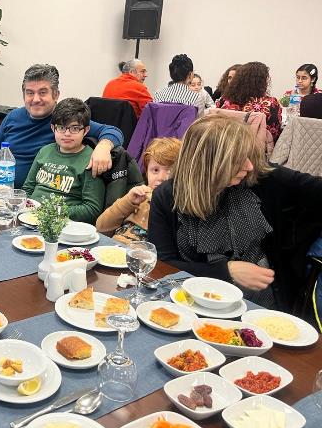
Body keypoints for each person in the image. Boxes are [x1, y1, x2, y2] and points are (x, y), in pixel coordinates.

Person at [148, 115, 322, 311]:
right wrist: (226, 271)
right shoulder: (167, 196)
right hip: (192, 303)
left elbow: (315, 190)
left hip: (262, 307)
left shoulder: (262, 178)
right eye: (238, 160)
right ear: (210, 163)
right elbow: (162, 265)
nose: (249, 166)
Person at [0, 64, 124, 187]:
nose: (36, 99)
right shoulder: (12, 117)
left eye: (42, 93)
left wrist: (103, 147)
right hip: (1, 192)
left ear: (56, 95)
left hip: (39, 198)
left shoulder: (65, 122)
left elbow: (112, 131)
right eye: (30, 93)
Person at [23, 98, 106, 223]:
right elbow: (28, 189)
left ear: (86, 130)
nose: (67, 134)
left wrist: (52, 212)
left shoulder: (91, 159)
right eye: (61, 127)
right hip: (30, 217)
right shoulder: (45, 151)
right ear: (53, 128)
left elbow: (92, 209)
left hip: (63, 223)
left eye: (74, 128)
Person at [96, 137, 181, 244]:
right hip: (113, 247)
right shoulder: (138, 196)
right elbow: (101, 228)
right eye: (155, 170)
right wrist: (127, 202)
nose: (161, 178)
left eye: (169, 172)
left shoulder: (179, 207)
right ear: (147, 172)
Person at [215, 61, 283, 142]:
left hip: (225, 144)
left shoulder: (225, 100)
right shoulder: (270, 103)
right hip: (255, 147)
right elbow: (274, 133)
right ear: (262, 82)